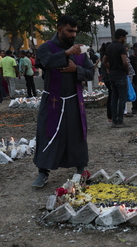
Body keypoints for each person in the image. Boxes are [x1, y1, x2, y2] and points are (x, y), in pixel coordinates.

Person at [32, 15, 94, 187]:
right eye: (69, 30)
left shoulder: (80, 51)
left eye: (75, 31)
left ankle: (81, 169)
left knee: (77, 134)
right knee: (47, 133)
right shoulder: (46, 47)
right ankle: (42, 172)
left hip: (74, 100)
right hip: (52, 100)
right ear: (59, 29)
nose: (73, 34)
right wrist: (66, 54)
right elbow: (45, 62)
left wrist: (76, 69)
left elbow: (90, 73)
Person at [103, 29, 129, 128]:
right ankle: (120, 121)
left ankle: (114, 121)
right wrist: (126, 70)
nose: (125, 39)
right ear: (121, 37)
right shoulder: (121, 47)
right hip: (120, 74)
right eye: (125, 37)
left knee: (114, 98)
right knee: (122, 98)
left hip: (112, 75)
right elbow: (125, 62)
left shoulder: (109, 47)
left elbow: (105, 61)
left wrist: (110, 68)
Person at [100, 42, 113, 122]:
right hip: (109, 78)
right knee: (112, 96)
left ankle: (110, 115)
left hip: (106, 78)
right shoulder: (107, 57)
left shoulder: (104, 56)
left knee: (111, 96)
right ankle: (110, 116)